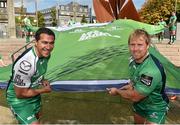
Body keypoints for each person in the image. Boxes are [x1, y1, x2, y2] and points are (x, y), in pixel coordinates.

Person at [107, 29, 169, 124]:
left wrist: (117, 91)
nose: (135, 49)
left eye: (140, 45)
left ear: (147, 46)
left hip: (155, 107)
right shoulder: (132, 60)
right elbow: (134, 79)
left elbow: (135, 96)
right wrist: (130, 85)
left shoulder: (150, 71)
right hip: (140, 104)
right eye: (132, 44)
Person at [6, 27, 55, 124]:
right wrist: (44, 90)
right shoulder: (26, 64)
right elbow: (20, 94)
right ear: (36, 42)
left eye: (51, 43)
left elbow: (37, 71)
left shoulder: (46, 54)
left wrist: (42, 79)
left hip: (33, 93)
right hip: (18, 99)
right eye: (44, 42)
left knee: (38, 116)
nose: (48, 47)